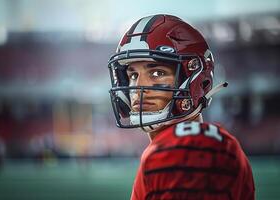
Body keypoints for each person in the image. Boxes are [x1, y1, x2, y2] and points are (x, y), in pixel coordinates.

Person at [108, 14, 255, 200]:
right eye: (133, 75)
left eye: (157, 72)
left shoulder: (189, 147)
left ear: (197, 82)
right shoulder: (169, 146)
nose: (138, 87)